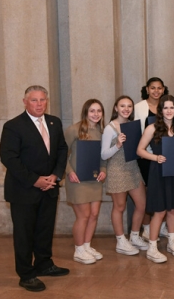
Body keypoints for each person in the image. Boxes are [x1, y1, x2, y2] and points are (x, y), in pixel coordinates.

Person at [0, 85, 69, 292]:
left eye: (42, 100)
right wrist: (35, 180)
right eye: (34, 100)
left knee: (45, 230)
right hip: (24, 190)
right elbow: (9, 158)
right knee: (24, 234)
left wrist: (55, 175)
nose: (39, 104)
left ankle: (44, 264)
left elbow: (62, 149)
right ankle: (26, 274)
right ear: (25, 102)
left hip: (50, 187)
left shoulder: (54, 122)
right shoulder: (13, 126)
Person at [137, 95, 174, 263]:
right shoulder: (152, 128)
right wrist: (155, 157)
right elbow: (140, 150)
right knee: (159, 211)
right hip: (158, 172)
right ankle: (152, 248)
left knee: (173, 209)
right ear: (160, 110)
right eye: (165, 108)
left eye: (172, 108)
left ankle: (172, 243)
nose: (169, 111)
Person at [100, 96, 149, 256]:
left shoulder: (133, 126)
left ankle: (134, 236)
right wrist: (117, 145)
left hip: (133, 168)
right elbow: (104, 154)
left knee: (142, 204)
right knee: (119, 207)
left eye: (129, 106)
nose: (126, 109)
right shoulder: (110, 128)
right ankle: (121, 241)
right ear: (116, 108)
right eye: (122, 106)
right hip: (117, 170)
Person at [64, 99, 107, 265]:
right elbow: (60, 154)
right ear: (85, 112)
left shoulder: (102, 132)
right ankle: (79, 249)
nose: (95, 114)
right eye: (92, 111)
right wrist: (69, 172)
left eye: (99, 111)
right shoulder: (74, 130)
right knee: (84, 216)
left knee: (94, 214)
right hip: (77, 180)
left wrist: (103, 170)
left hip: (95, 180)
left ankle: (87, 246)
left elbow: (103, 158)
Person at [133, 78, 168, 241]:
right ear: (147, 89)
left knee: (162, 192)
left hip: (164, 155)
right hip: (145, 156)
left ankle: (160, 226)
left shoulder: (166, 105)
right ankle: (147, 228)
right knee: (147, 194)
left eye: (159, 88)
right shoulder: (139, 107)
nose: (156, 91)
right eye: (152, 88)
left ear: (163, 90)